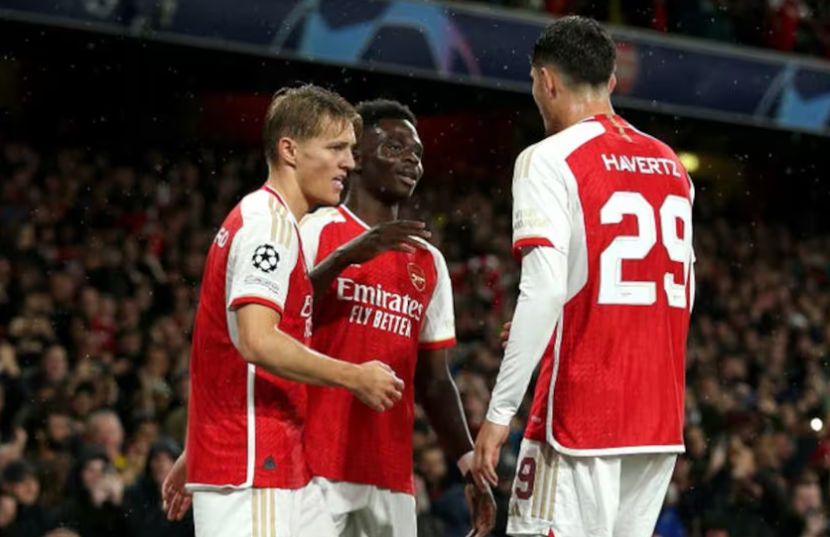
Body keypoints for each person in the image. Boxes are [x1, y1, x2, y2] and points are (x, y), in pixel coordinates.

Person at [472, 16, 696, 537]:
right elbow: (683, 288)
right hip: (657, 420)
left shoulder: (547, 159)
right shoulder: (672, 165)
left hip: (581, 413)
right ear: (610, 82)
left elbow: (546, 289)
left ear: (546, 80)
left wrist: (499, 414)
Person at [161, 85, 406, 537]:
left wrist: (196, 449)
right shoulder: (268, 227)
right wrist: (354, 376)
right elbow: (257, 340)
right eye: (335, 148)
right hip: (253, 465)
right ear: (289, 150)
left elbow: (226, 348)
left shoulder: (273, 221)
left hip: (275, 458)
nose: (349, 163)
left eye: (350, 150)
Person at [298, 99, 496, 537]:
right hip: (312, 467)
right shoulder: (315, 230)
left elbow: (434, 381)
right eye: (394, 148)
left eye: (417, 153)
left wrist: (467, 464)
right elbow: (281, 322)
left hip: (390, 474)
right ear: (355, 158)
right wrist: (344, 258)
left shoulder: (428, 261)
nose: (411, 160)